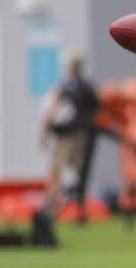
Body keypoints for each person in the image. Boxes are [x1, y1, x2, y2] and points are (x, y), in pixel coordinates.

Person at [39, 53, 99, 220]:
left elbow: (52, 112)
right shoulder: (87, 87)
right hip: (82, 134)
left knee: (57, 170)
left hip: (66, 136)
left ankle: (51, 208)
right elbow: (95, 109)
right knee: (80, 172)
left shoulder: (65, 87)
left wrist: (44, 132)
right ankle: (81, 209)